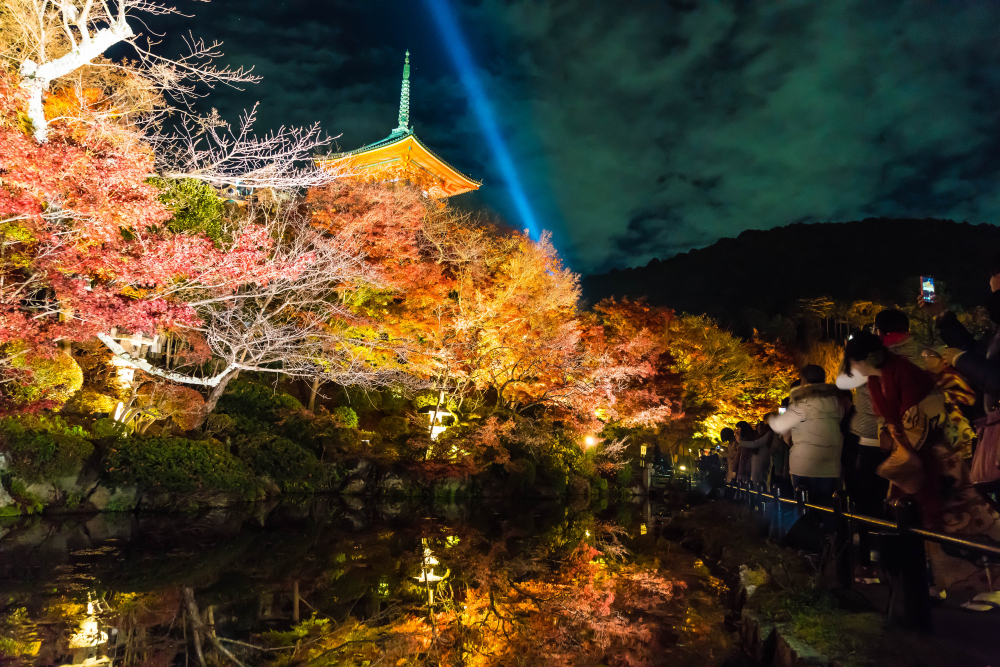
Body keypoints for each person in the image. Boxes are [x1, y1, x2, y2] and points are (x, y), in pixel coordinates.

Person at [843, 331, 1000, 593]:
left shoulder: (903, 371)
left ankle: (975, 584)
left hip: (931, 455)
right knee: (916, 518)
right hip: (910, 457)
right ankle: (933, 583)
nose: (852, 368)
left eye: (853, 361)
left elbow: (921, 419)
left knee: (954, 517)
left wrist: (900, 440)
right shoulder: (875, 379)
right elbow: (891, 419)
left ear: (866, 358)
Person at [769, 365, 846, 506]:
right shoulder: (836, 403)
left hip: (804, 466)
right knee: (828, 509)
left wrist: (771, 418)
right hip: (831, 467)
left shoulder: (800, 404)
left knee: (805, 510)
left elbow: (779, 425)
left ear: (803, 381)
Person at [740, 418, 774, 488]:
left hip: (763, 459)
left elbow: (756, 444)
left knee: (761, 481)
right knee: (755, 480)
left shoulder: (769, 432)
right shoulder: (761, 433)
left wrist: (740, 442)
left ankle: (761, 497)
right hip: (756, 459)